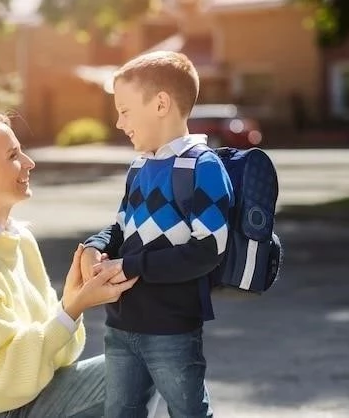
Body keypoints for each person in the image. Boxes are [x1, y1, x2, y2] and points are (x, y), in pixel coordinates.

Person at [0, 110, 138, 418]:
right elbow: (0, 373)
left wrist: (71, 304)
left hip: (23, 402)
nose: (29, 163)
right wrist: (71, 310)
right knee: (143, 373)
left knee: (152, 368)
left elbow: (60, 357)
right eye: (13, 155)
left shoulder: (20, 241)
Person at [80, 51, 234, 418]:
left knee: (188, 412)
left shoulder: (202, 167)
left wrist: (130, 265)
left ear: (161, 103)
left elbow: (207, 250)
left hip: (171, 329)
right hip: (120, 325)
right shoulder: (139, 167)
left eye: (125, 110)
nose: (119, 122)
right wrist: (95, 245)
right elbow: (121, 226)